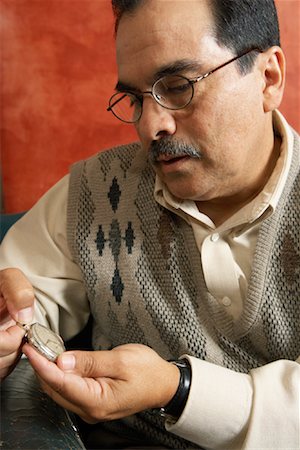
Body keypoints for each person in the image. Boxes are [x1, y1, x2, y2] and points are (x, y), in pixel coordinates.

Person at [0, 0, 299, 448]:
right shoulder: (97, 190)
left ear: (267, 77)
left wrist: (177, 389)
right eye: (136, 99)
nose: (151, 126)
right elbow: (18, 296)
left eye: (178, 87)